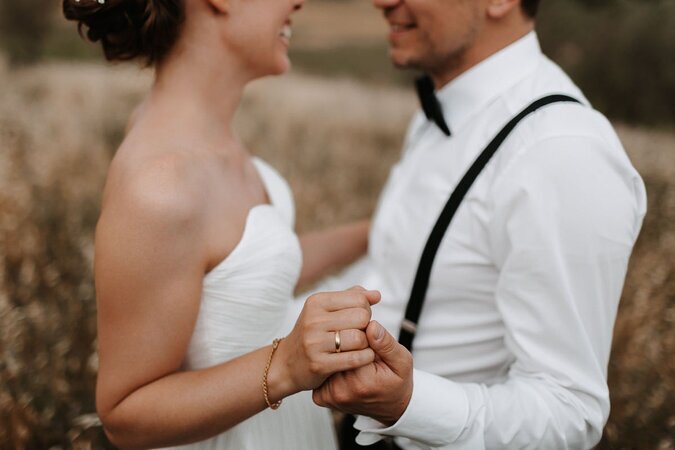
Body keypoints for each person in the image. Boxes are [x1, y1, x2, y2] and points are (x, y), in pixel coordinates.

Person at [309, 0, 647, 448]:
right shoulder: (443, 111)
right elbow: (395, 277)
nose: (383, 1)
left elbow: (570, 411)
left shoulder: (561, 151)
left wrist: (410, 404)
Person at [62, 0, 376, 448]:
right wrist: (285, 365)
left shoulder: (205, 132)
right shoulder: (160, 186)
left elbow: (248, 276)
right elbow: (124, 414)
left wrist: (374, 232)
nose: (298, 3)